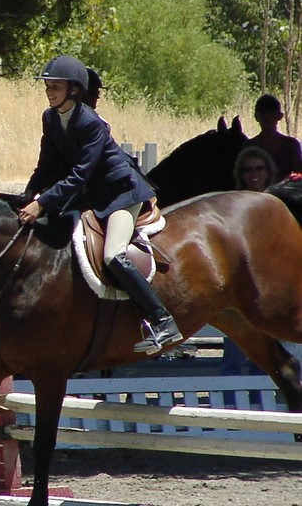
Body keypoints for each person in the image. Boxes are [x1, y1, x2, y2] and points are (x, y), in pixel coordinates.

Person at [18, 55, 183, 354]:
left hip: (121, 193)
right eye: (48, 86)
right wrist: (28, 194)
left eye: (55, 86)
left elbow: (80, 174)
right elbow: (47, 165)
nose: (49, 91)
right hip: (94, 196)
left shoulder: (90, 122)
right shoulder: (50, 117)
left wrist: (42, 205)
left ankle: (162, 320)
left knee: (113, 255)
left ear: (74, 90)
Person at [220, 146, 276, 403]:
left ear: (268, 172)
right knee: (233, 354)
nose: (253, 174)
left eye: (259, 168)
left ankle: (261, 408)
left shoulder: (278, 204)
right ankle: (230, 408)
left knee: (264, 357)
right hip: (238, 291)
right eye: (247, 169)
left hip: (270, 290)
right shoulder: (232, 204)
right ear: (240, 174)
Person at [244, 94, 302, 180]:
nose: (267, 116)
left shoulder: (291, 145)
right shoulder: (249, 145)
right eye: (263, 113)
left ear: (279, 116)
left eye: (271, 113)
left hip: (283, 188)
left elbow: (299, 176)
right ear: (256, 116)